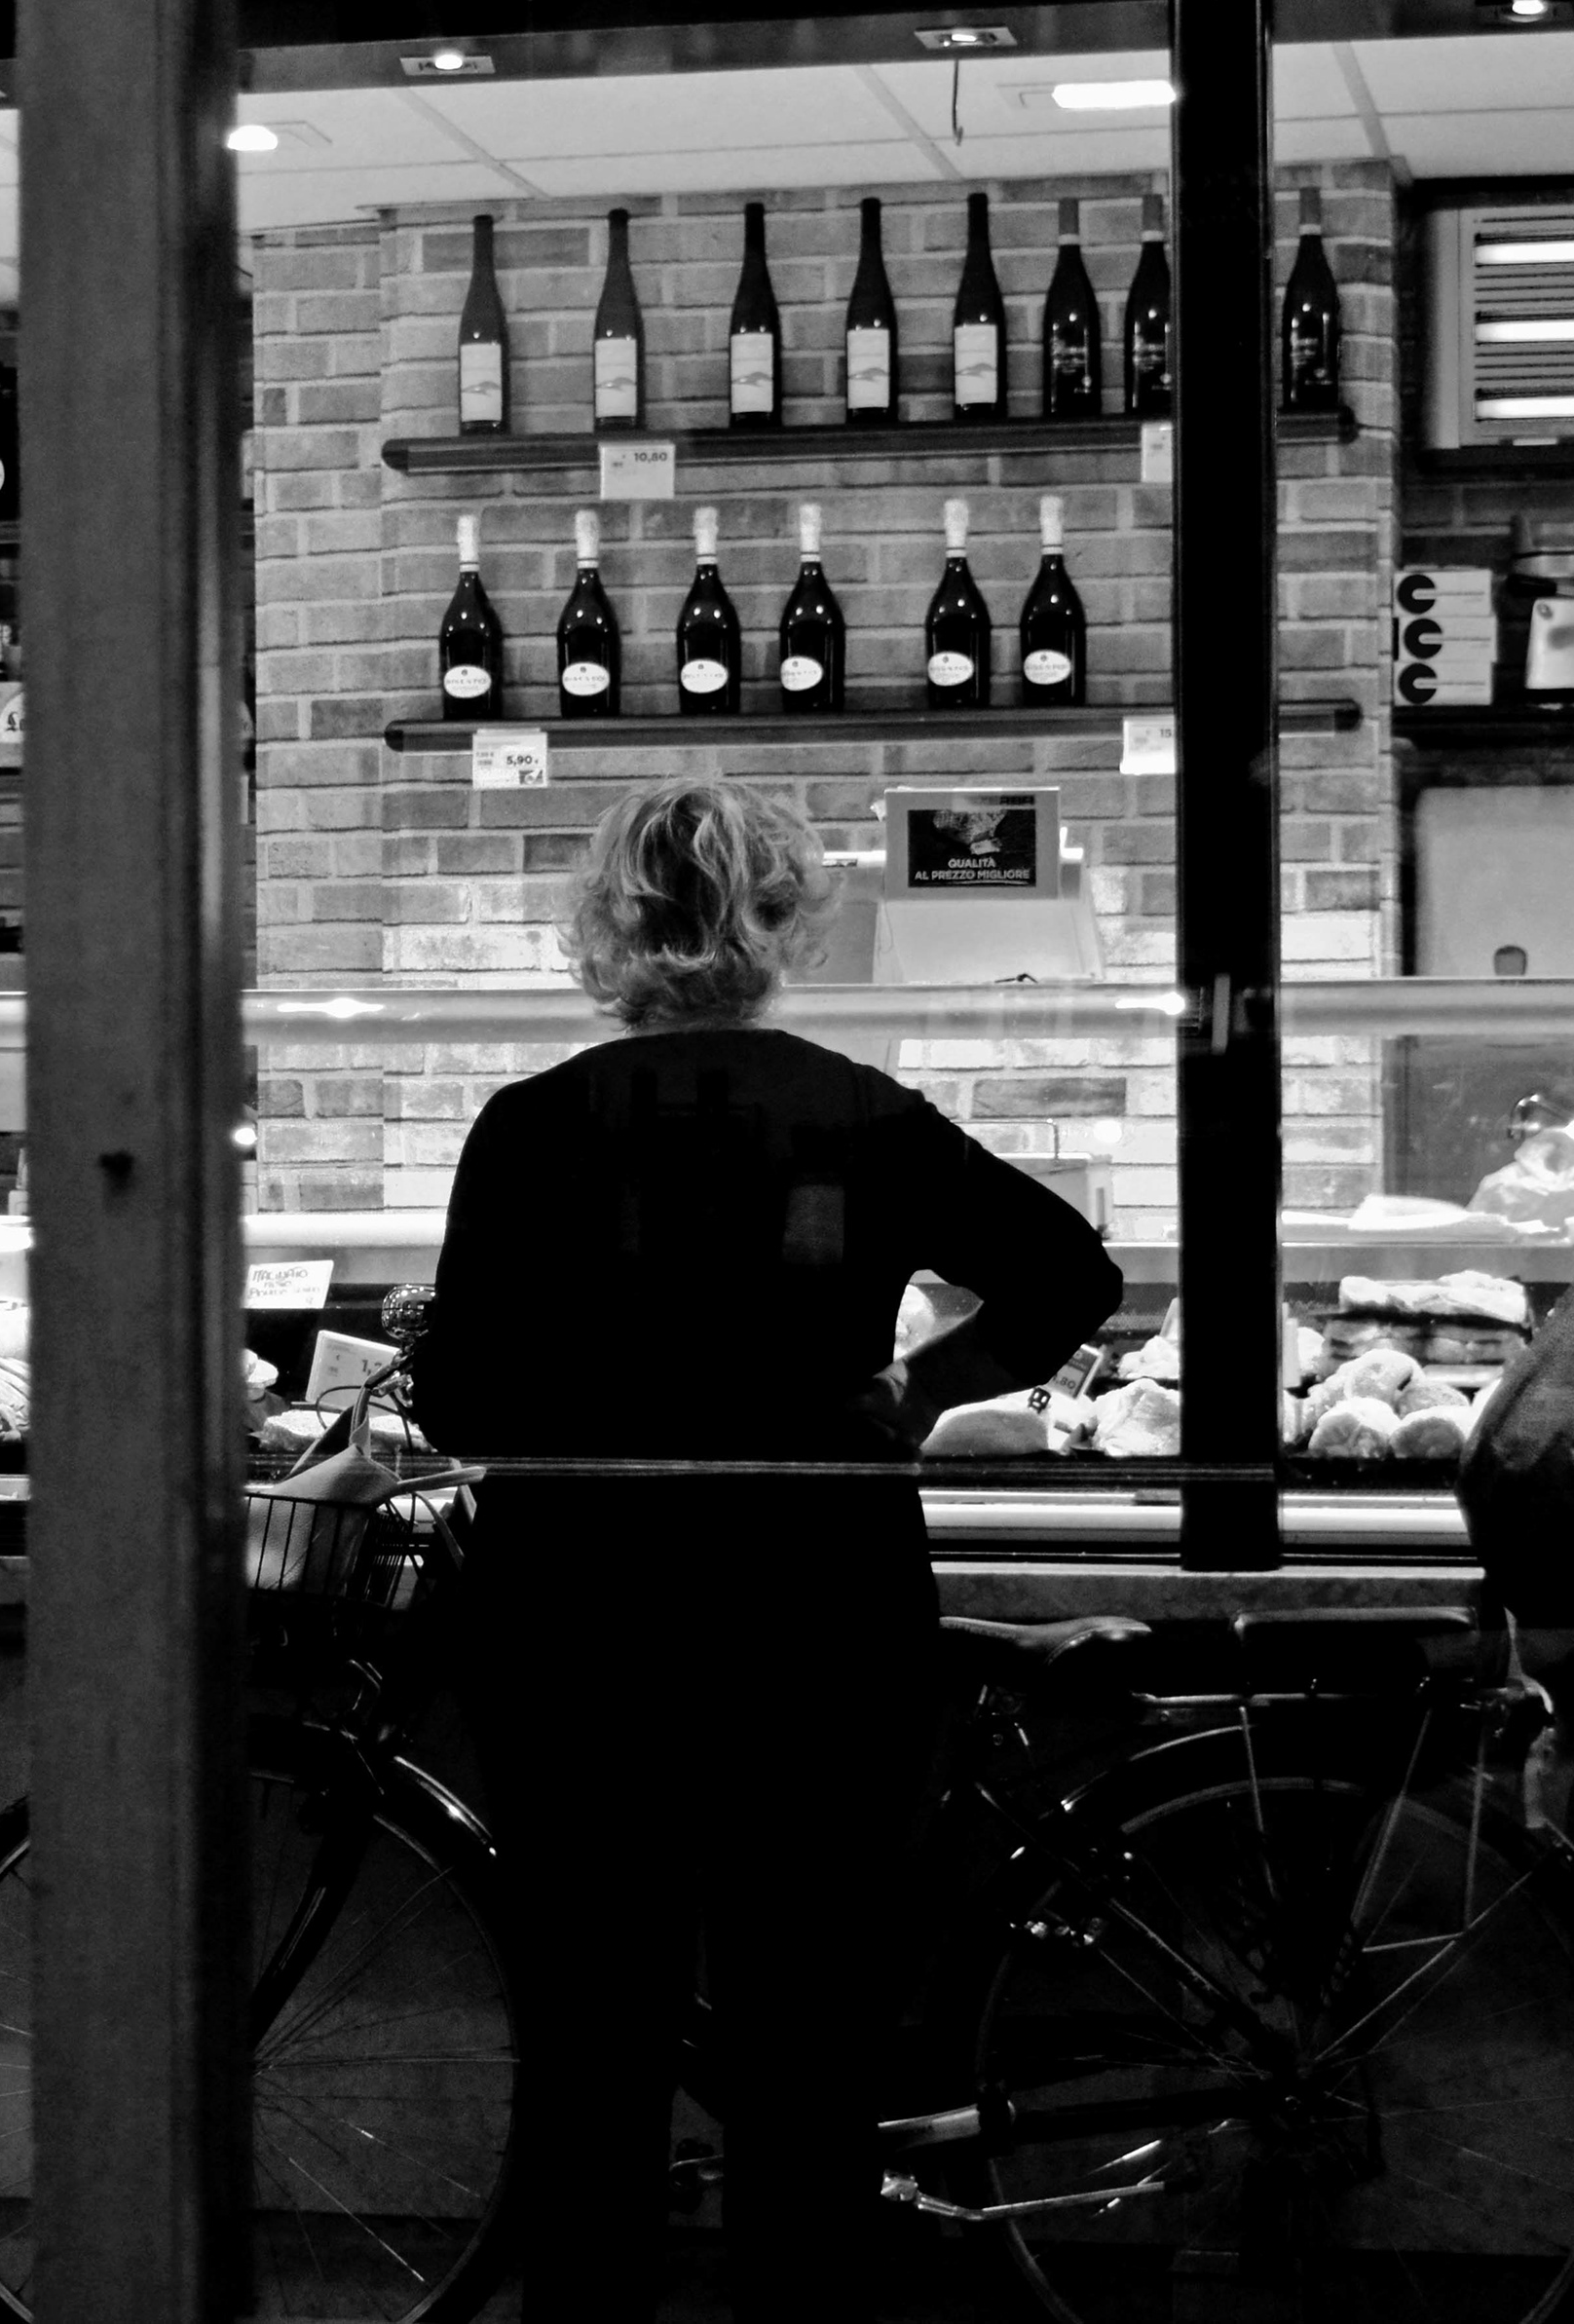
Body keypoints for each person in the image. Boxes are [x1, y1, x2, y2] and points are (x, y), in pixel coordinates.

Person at [413, 776, 1120, 2322]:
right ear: (784, 917)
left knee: (595, 2053)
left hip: (584, 1629)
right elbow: (1073, 1273)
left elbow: (464, 1398)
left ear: (606, 925)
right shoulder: (857, 1111)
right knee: (808, 2063)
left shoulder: (533, 1128)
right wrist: (920, 1388)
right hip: (822, 1618)